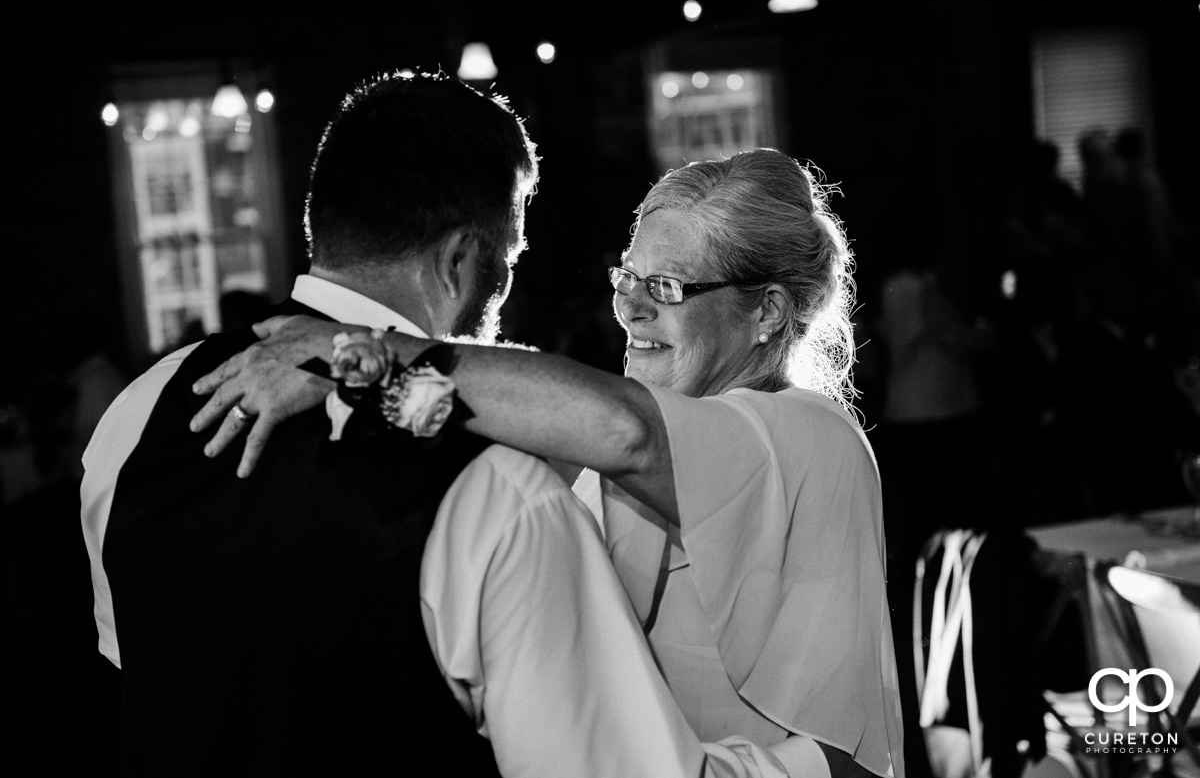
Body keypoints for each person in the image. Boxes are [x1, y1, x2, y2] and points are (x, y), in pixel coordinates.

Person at [81, 71, 800, 777]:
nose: (507, 285)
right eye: (508, 256)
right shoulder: (498, 489)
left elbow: (143, 671)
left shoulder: (135, 415)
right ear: (460, 262)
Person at [193, 148, 907, 778]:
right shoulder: (666, 425)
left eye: (667, 289)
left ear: (768, 313)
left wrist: (358, 356)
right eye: (628, 279)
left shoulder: (806, 435)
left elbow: (625, 431)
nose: (630, 312)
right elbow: (477, 428)